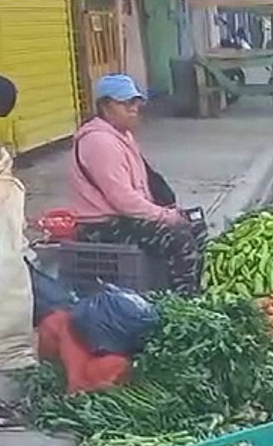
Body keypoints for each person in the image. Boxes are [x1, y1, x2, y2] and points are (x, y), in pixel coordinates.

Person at [70, 75, 206, 296]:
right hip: (102, 226)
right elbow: (123, 199)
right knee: (179, 238)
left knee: (194, 223)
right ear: (105, 106)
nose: (134, 109)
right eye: (125, 103)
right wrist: (165, 216)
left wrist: (166, 210)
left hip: (124, 218)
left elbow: (141, 187)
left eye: (135, 102)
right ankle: (184, 302)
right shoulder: (99, 142)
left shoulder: (122, 136)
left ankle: (191, 292)